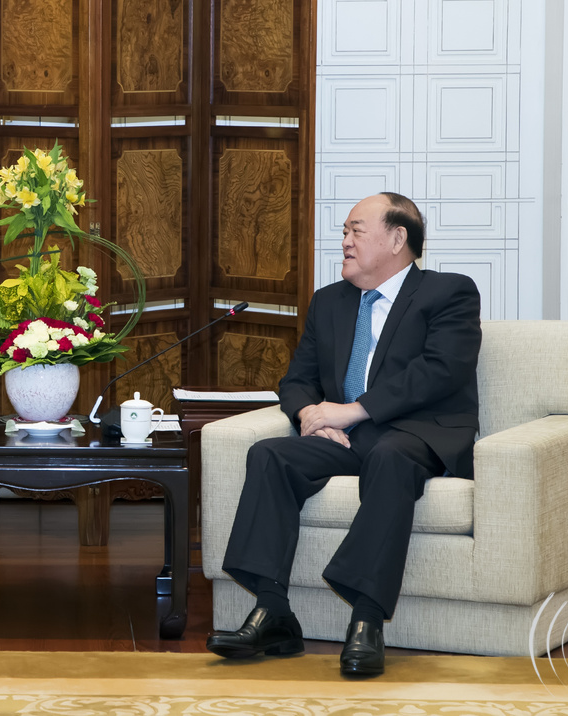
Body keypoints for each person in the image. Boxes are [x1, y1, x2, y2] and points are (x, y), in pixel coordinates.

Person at [206, 193, 481, 676]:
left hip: (415, 433)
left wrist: (352, 411)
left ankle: (367, 620)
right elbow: (296, 380)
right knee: (270, 455)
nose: (345, 241)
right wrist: (310, 415)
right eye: (344, 232)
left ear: (397, 238)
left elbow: (440, 371)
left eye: (356, 230)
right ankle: (273, 612)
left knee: (390, 456)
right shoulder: (329, 301)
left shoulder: (449, 292)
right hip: (347, 439)